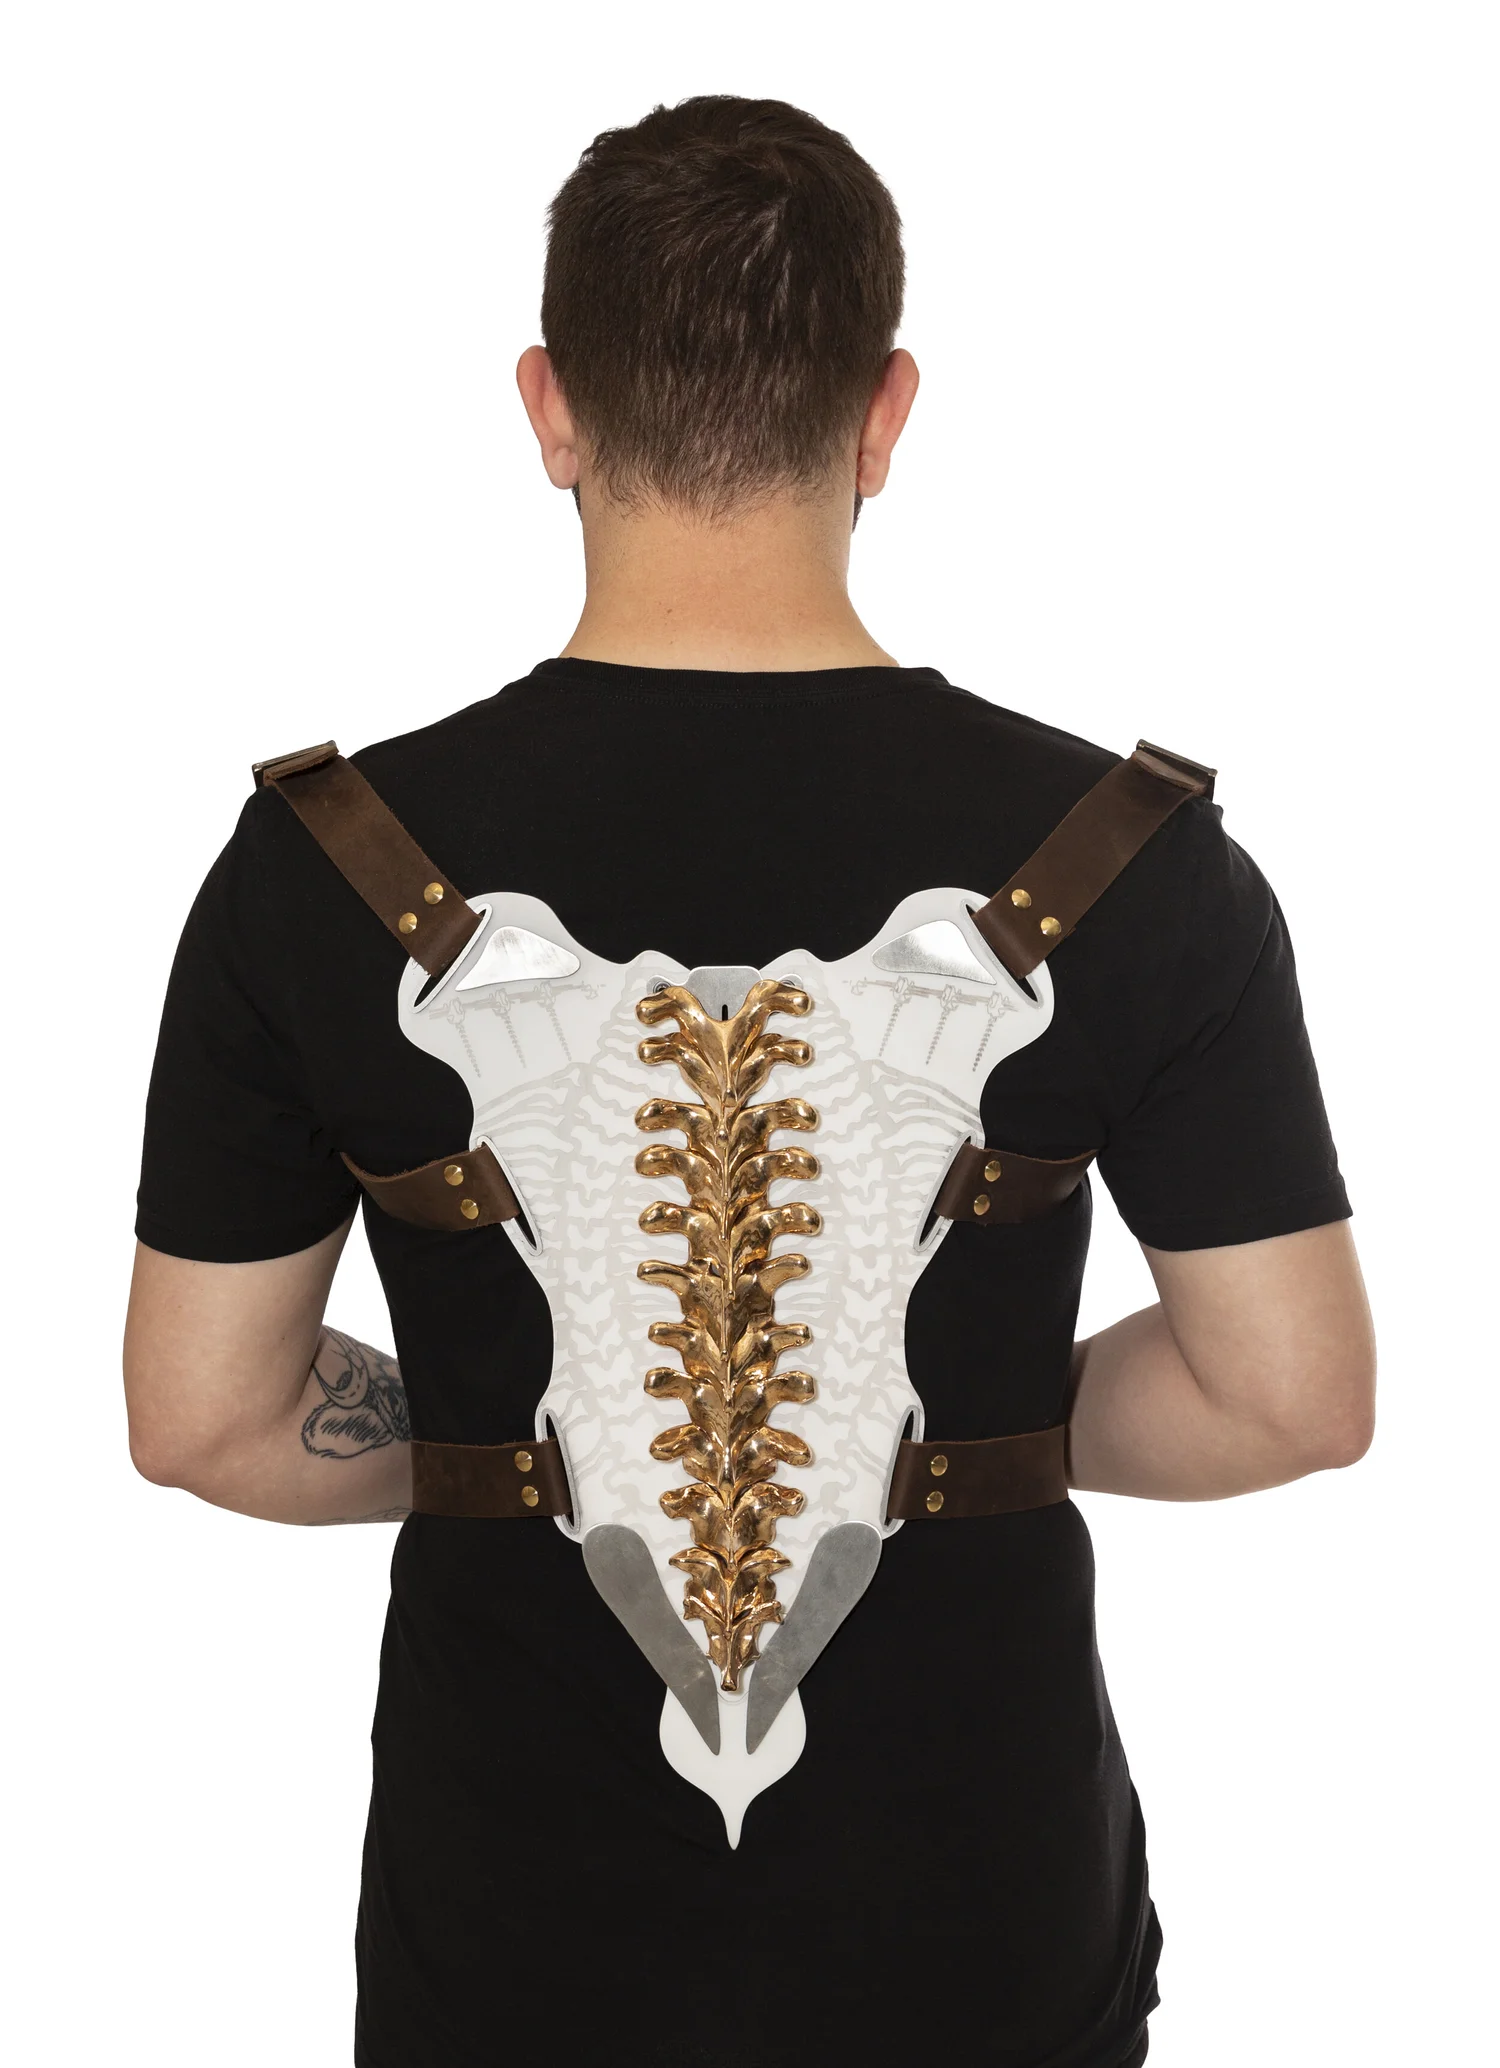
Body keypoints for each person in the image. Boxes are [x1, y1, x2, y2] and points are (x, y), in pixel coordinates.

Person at [124, 95, 1375, 2068]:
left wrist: (548, 1431)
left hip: (509, 1947)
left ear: (550, 407)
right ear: (884, 414)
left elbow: (207, 1417)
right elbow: (1287, 1395)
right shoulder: (1136, 865)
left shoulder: (314, 870)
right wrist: (924, 1417)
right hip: (987, 1936)